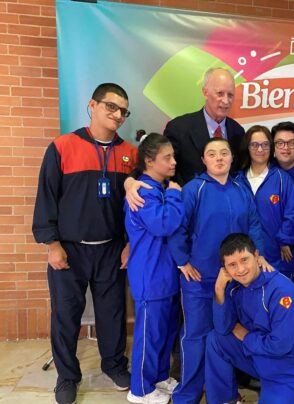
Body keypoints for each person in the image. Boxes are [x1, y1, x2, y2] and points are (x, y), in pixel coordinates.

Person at [32, 83, 136, 404]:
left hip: (111, 249)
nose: (117, 115)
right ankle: (67, 376)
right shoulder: (62, 146)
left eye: (123, 111)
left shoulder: (129, 153)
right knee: (65, 315)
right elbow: (46, 196)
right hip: (69, 249)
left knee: (112, 314)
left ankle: (114, 365)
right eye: (111, 107)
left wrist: (130, 243)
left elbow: (134, 208)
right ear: (93, 105)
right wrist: (51, 244)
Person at [168, 138, 271, 404]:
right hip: (200, 279)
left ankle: (223, 395)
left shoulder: (240, 189)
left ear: (232, 158)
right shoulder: (194, 189)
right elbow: (177, 228)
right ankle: (187, 395)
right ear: (204, 160)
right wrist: (183, 261)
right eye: (212, 154)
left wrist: (257, 255)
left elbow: (253, 225)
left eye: (224, 153)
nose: (219, 158)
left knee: (224, 337)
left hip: (236, 281)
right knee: (195, 337)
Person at [205, 233, 294, 404]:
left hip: (286, 371)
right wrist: (219, 289)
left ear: (256, 256)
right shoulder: (234, 286)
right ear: (224, 268)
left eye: (244, 260)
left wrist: (246, 336)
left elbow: (280, 346)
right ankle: (226, 399)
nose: (240, 270)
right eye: (232, 265)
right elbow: (222, 328)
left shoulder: (281, 291)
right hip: (257, 357)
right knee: (215, 339)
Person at [125, 67, 245, 210]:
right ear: (205, 92)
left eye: (230, 95)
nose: (226, 101)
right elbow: (159, 161)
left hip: (228, 210)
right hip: (188, 211)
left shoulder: (238, 132)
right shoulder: (179, 128)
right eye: (220, 93)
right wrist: (131, 180)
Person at [124, 133, 184, 404]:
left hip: (165, 274)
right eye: (167, 158)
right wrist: (173, 195)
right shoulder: (144, 192)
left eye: (173, 156)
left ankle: (159, 377)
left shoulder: (158, 188)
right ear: (149, 161)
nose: (173, 162)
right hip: (150, 275)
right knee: (149, 336)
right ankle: (139, 390)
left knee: (164, 333)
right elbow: (163, 224)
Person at [235, 125, 294, 281]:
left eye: (265, 144)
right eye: (254, 145)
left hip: (277, 254)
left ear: (271, 147)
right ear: (247, 147)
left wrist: (285, 239)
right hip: (244, 257)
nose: (260, 149)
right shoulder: (237, 181)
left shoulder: (282, 179)